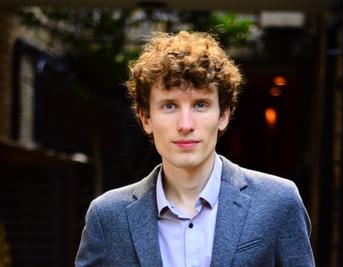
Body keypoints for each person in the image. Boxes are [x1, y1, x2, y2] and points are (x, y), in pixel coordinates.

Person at [75, 31, 315, 266]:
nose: (186, 125)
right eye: (169, 106)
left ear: (223, 115)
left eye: (200, 105)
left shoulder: (278, 202)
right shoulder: (107, 216)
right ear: (146, 118)